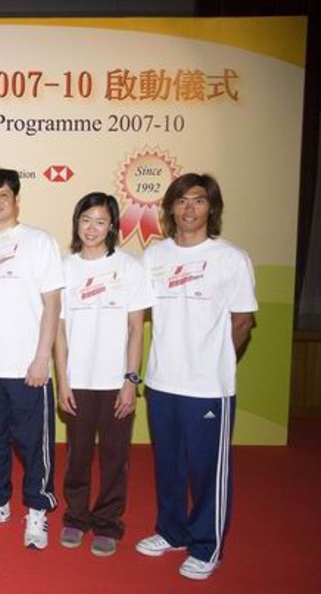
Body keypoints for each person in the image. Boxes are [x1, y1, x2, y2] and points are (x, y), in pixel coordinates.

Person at [135, 173, 256, 581]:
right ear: (169, 208)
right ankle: (172, 531)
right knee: (168, 465)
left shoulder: (230, 258)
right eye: (181, 201)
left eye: (198, 201)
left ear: (211, 208)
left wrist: (217, 362)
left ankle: (208, 545)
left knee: (208, 470)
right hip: (162, 382)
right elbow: (139, 316)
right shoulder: (154, 256)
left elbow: (242, 322)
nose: (189, 209)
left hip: (208, 388)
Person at [0, 168, 63, 549]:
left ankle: (37, 510)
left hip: (28, 367)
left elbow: (52, 304)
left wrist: (43, 358)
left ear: (16, 199)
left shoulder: (40, 242)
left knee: (33, 444)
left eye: (3, 195)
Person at [53, 192, 152, 556]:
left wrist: (130, 381)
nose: (91, 228)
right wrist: (62, 379)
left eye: (100, 221)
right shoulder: (64, 268)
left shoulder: (129, 268)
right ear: (76, 223)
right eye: (85, 220)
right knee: (77, 455)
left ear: (112, 226)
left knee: (114, 456)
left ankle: (108, 522)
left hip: (115, 383)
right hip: (77, 380)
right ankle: (76, 517)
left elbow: (136, 329)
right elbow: (58, 331)